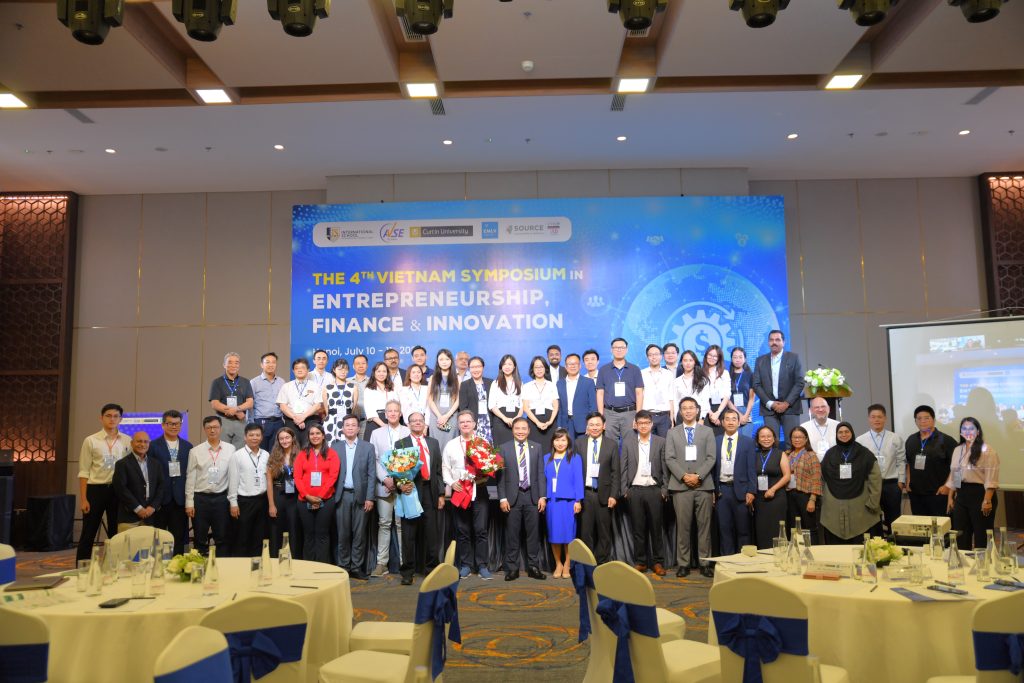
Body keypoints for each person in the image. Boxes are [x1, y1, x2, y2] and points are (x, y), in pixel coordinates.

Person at [665, 397, 716, 577]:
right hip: (680, 486)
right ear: (680, 412)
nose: (688, 411)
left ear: (697, 410)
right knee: (683, 527)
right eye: (684, 408)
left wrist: (698, 476)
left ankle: (705, 563)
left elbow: (711, 457)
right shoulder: (672, 433)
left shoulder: (707, 431)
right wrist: (684, 476)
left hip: (703, 485)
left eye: (691, 408)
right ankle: (683, 564)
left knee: (704, 527)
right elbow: (669, 458)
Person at [393, 413, 444, 585]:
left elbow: (438, 470)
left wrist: (441, 494)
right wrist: (400, 485)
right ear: (408, 424)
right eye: (413, 421)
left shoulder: (433, 443)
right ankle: (407, 572)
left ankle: (431, 570)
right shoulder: (401, 444)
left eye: (420, 421)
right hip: (411, 491)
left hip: (430, 491)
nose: (417, 423)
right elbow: (397, 470)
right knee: (409, 533)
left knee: (432, 533)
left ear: (424, 424)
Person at [77, 403, 132, 561]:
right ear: (101, 418)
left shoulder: (127, 440)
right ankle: (81, 568)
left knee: (116, 533)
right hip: (95, 490)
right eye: (108, 416)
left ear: (120, 419)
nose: (112, 419)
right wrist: (84, 499)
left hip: (118, 491)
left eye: (115, 416)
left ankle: (114, 566)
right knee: (89, 532)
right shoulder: (91, 440)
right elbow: (84, 471)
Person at [443, 411, 493, 579]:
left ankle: (482, 566)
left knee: (481, 530)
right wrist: (451, 483)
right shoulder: (451, 445)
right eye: (462, 422)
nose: (465, 424)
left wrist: (484, 476)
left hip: (479, 490)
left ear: (474, 424)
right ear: (458, 425)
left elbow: (490, 467)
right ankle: (465, 565)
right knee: (463, 530)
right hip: (459, 491)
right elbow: (445, 468)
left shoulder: (483, 443)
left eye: (468, 421)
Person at [498, 418, 547, 581]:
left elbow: (540, 473)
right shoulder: (503, 448)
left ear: (529, 430)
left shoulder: (536, 447)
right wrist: (502, 498)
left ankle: (533, 567)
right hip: (513, 497)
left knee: (533, 534)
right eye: (517, 428)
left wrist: (542, 496)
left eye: (523, 428)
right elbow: (500, 476)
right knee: (512, 534)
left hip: (532, 496)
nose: (520, 431)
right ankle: (512, 568)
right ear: (512, 430)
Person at [621, 410, 668, 575]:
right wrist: (625, 490)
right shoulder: (628, 442)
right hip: (634, 490)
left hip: (654, 489)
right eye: (640, 423)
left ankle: (658, 562)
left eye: (646, 423)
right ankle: (640, 562)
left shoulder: (661, 442)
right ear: (635, 424)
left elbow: (665, 468)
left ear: (651, 424)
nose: (643, 426)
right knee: (638, 529)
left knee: (656, 529)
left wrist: (664, 490)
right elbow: (623, 467)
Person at [820, 422, 882, 544]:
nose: (843, 434)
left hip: (861, 508)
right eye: (840, 432)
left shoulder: (864, 453)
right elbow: (822, 478)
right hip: (833, 508)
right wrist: (823, 502)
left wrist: (873, 503)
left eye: (846, 432)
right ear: (836, 435)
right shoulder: (830, 454)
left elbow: (875, 479)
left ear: (852, 433)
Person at [331, 414, 376, 580]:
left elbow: (372, 474)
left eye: (353, 425)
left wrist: (370, 498)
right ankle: (343, 566)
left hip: (361, 497)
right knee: (342, 534)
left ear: (358, 428)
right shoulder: (335, 447)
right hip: (341, 496)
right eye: (347, 425)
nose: (350, 428)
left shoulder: (368, 447)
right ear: (342, 429)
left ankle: (356, 567)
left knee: (359, 534)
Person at [944, 417, 1000, 550]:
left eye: (971, 428)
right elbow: (955, 474)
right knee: (961, 534)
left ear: (978, 431)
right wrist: (951, 497)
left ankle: (984, 561)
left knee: (982, 535)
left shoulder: (987, 450)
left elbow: (991, 478)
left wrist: (987, 501)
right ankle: (964, 561)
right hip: (962, 495)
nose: (967, 431)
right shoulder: (958, 449)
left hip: (981, 494)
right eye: (964, 428)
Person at [185, 416, 237, 555]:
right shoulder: (195, 451)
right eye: (209, 428)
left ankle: (222, 566)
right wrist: (189, 503)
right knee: (200, 538)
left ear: (220, 428)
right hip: (200, 499)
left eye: (215, 427)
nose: (212, 430)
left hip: (221, 499)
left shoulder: (230, 449)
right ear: (204, 429)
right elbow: (190, 478)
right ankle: (200, 566)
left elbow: (233, 477)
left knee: (222, 538)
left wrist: (233, 502)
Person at [368, 400, 409, 577]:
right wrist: (385, 479)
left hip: (403, 486)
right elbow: (374, 459)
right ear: (385, 414)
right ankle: (381, 563)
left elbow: (412, 459)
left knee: (401, 525)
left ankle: (404, 562)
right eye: (389, 411)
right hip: (383, 486)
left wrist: (398, 481)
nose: (392, 413)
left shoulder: (408, 431)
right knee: (384, 523)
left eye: (395, 411)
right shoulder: (376, 433)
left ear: (400, 414)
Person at [574, 412, 620, 564]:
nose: (594, 428)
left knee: (604, 533)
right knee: (585, 532)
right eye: (591, 425)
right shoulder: (579, 443)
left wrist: (613, 495)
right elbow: (575, 472)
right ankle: (588, 564)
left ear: (604, 426)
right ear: (587, 427)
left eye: (598, 425)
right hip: (585, 494)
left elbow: (615, 472)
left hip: (604, 495)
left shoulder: (612, 444)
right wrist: (576, 497)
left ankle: (602, 564)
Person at [856, 404, 906, 534]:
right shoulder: (860, 440)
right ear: (868, 419)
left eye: (879, 417)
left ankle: (895, 543)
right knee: (873, 519)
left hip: (891, 484)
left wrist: (901, 481)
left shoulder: (895, 438)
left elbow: (901, 460)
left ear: (885, 418)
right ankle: (876, 544)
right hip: (871, 485)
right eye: (873, 417)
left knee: (894, 519)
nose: (876, 420)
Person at [294, 424, 340, 563]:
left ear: (323, 435)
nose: (315, 436)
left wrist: (319, 497)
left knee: (322, 534)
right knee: (308, 535)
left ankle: (322, 566)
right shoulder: (302, 454)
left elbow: (333, 477)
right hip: (304, 500)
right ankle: (308, 567)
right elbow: (297, 477)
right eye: (312, 434)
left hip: (326, 500)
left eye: (318, 433)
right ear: (308, 437)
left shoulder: (332, 454)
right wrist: (307, 496)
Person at [713, 409, 756, 556]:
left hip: (741, 491)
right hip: (722, 490)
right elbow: (712, 467)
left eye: (734, 419)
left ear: (739, 422)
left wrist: (751, 490)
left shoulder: (748, 442)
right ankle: (727, 561)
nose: (730, 422)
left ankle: (743, 561)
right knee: (724, 529)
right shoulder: (716, 441)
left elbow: (751, 468)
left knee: (743, 529)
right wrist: (713, 490)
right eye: (727, 419)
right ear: (722, 422)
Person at [149, 410, 192, 555]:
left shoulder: (188, 446)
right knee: (157, 538)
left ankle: (177, 565)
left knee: (178, 538)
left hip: (179, 500)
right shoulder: (153, 446)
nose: (174, 427)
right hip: (160, 500)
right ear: (163, 425)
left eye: (177, 424)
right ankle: (157, 566)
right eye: (170, 424)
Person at [752, 330, 805, 444]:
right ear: (768, 342)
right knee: (770, 444)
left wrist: (786, 403)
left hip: (790, 407)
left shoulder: (794, 358)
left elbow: (800, 382)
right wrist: (770, 403)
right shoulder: (760, 360)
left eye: (777, 340)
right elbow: (756, 384)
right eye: (771, 340)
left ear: (783, 342)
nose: (774, 342)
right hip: (769, 409)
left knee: (792, 443)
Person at [904, 405, 956, 517]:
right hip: (916, 495)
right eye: (919, 418)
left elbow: (958, 468)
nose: (923, 421)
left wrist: (949, 486)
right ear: (915, 421)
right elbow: (908, 462)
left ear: (934, 420)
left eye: (927, 418)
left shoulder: (947, 440)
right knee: (920, 526)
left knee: (941, 527)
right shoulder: (911, 440)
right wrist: (908, 481)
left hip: (939, 495)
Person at [545, 429, 582, 579]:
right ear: (552, 442)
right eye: (557, 440)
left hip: (569, 502)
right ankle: (558, 563)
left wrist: (578, 500)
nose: (560, 443)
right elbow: (542, 480)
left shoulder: (575, 458)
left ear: (568, 442)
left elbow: (578, 480)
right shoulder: (546, 458)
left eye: (563, 440)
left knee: (568, 535)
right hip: (552, 502)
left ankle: (567, 563)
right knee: (554, 534)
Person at [228, 423, 269, 558]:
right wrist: (233, 503)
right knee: (242, 538)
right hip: (244, 502)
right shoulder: (237, 455)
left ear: (261, 437)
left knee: (259, 537)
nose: (254, 438)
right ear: (245, 437)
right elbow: (233, 480)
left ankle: (256, 566)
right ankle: (240, 567)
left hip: (262, 501)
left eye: (257, 435)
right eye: (251, 435)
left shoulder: (266, 455)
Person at [112, 431, 166, 533]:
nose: (142, 444)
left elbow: (161, 487)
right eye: (139, 441)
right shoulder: (122, 464)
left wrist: (153, 507)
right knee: (127, 544)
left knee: (149, 543)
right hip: (129, 517)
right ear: (132, 443)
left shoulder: (156, 464)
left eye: (146, 442)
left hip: (150, 517)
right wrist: (138, 508)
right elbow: (121, 489)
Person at [596, 338, 644, 443]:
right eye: (616, 347)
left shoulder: (635, 369)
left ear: (626, 350)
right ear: (611, 350)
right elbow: (600, 394)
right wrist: (601, 416)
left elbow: (639, 393)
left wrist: (638, 416)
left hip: (630, 413)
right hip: (609, 413)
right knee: (610, 444)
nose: (619, 350)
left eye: (622, 347)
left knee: (630, 444)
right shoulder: (603, 370)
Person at [751, 425, 792, 549]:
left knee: (776, 529)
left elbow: (787, 476)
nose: (766, 439)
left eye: (769, 436)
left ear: (774, 439)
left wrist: (773, 489)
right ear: (758, 439)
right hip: (759, 498)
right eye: (762, 436)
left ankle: (779, 555)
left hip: (777, 497)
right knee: (761, 529)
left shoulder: (780, 454)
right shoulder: (754, 455)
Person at [267, 426, 302, 558]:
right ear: (278, 441)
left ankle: (295, 561)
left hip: (295, 497)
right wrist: (271, 504)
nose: (284, 441)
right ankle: (275, 560)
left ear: (293, 439)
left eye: (287, 437)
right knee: (276, 531)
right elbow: (269, 482)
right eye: (281, 438)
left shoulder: (301, 455)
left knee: (295, 531)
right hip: (278, 496)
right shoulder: (273, 457)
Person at [208, 352, 254, 449]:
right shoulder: (217, 382)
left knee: (240, 452)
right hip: (223, 421)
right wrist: (235, 411)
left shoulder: (245, 382)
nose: (233, 365)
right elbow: (214, 403)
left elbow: (250, 403)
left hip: (241, 421)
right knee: (223, 450)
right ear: (224, 365)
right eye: (230, 362)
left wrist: (236, 409)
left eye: (236, 363)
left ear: (239, 365)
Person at [784, 426, 822, 543]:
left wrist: (812, 499)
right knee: (793, 527)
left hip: (805, 496)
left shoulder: (811, 455)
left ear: (806, 439)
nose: (797, 440)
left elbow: (816, 478)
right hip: (790, 495)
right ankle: (796, 551)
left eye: (800, 437)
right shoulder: (787, 454)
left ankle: (813, 551)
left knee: (809, 528)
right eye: (794, 437)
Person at [276, 358, 322, 448]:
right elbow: (282, 406)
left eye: (302, 368)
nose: (299, 370)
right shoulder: (286, 386)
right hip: (291, 421)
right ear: (293, 371)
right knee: (292, 449)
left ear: (308, 370)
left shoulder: (315, 386)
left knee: (309, 448)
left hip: (310, 421)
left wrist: (303, 417)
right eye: (297, 368)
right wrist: (295, 418)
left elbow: (317, 405)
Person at [556, 353, 596, 443]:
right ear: (566, 366)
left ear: (580, 366)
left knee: (583, 449)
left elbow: (593, 406)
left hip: (583, 424)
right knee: (568, 449)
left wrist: (590, 424)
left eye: (575, 364)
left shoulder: (588, 382)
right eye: (570, 364)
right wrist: (559, 426)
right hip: (565, 424)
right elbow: (559, 407)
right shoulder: (559, 383)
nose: (573, 366)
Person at [522, 355, 559, 451]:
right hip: (533, 421)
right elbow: (525, 407)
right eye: (536, 367)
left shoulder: (552, 385)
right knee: (534, 450)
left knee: (550, 449)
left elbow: (555, 406)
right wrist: (537, 422)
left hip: (550, 421)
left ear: (545, 368)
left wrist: (550, 421)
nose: (539, 369)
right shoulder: (527, 386)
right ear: (532, 369)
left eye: (541, 367)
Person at [427, 349, 460, 454]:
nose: (444, 362)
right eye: (441, 359)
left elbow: (458, 400)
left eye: (447, 359)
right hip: (436, 417)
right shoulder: (432, 378)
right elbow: (430, 399)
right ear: (437, 361)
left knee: (451, 446)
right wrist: (439, 416)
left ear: (451, 361)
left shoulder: (457, 378)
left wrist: (447, 416)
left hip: (451, 417)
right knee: (436, 446)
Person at [251, 352, 286, 452]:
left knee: (276, 452)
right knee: (261, 452)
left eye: (273, 362)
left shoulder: (282, 382)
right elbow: (250, 405)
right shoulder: (254, 382)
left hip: (278, 422)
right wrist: (250, 424)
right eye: (267, 362)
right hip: (261, 422)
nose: (271, 365)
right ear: (261, 365)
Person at [488, 354, 523, 449]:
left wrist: (517, 417)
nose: (507, 367)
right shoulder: (495, 383)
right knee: (500, 449)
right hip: (500, 420)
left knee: (515, 449)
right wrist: (504, 418)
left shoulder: (519, 383)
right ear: (501, 367)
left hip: (516, 419)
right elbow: (492, 405)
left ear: (514, 366)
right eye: (504, 364)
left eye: (510, 364)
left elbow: (523, 404)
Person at [640, 344, 674, 438]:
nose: (653, 357)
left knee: (664, 444)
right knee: (647, 443)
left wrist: (671, 419)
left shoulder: (668, 374)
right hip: (647, 416)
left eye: (656, 354)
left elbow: (671, 397)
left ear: (661, 356)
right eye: (650, 355)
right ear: (647, 357)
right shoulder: (641, 373)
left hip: (664, 416)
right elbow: (639, 396)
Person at [458, 356, 494, 442]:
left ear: (483, 367)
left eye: (478, 366)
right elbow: (463, 408)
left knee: (490, 449)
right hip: (474, 425)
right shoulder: (465, 385)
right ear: (469, 369)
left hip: (490, 424)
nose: (476, 370)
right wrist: (469, 424)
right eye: (473, 367)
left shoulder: (491, 383)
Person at [323, 358, 357, 446]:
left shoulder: (353, 387)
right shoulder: (327, 387)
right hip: (331, 421)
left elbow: (353, 408)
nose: (343, 372)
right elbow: (326, 409)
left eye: (345, 369)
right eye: (340, 369)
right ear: (334, 370)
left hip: (347, 421)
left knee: (347, 446)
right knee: (330, 447)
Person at [671, 350, 710, 426]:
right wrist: (676, 419)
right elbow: (675, 402)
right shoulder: (676, 381)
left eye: (690, 360)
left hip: (697, 415)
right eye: (685, 360)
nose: (688, 363)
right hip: (681, 416)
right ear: (681, 362)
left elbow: (705, 401)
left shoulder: (703, 380)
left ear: (695, 362)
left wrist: (702, 418)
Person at [362, 361, 397, 442]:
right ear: (374, 373)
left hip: (391, 420)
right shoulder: (369, 389)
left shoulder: (392, 388)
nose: (381, 374)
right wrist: (384, 425)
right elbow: (370, 410)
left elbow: (397, 405)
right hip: (375, 422)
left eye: (384, 371)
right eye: (379, 371)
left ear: (387, 373)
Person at [727, 347, 756, 437]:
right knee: (732, 439)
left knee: (746, 440)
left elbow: (752, 398)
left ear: (745, 359)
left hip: (746, 411)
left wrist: (746, 415)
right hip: (731, 411)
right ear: (731, 359)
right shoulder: (726, 375)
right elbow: (726, 398)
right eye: (735, 357)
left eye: (740, 357)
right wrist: (738, 414)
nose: (738, 360)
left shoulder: (751, 375)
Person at [702, 345, 731, 435]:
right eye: (710, 355)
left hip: (721, 408)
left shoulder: (725, 373)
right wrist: (711, 414)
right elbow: (700, 395)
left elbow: (727, 395)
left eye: (715, 356)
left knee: (722, 438)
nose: (712, 358)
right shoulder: (700, 373)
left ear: (719, 358)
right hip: (706, 408)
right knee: (707, 438)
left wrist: (718, 413)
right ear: (706, 355)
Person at [350, 354, 371, 437]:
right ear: (353, 366)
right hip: (350, 421)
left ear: (367, 365)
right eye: (358, 363)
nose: (361, 366)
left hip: (367, 421)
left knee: (363, 444)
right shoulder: (347, 381)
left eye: (363, 363)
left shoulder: (372, 382)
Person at [309, 349, 333, 418]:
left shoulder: (332, 377)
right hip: (310, 411)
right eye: (318, 358)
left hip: (327, 411)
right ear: (314, 361)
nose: (321, 361)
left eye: (324, 359)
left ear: (327, 361)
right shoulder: (308, 376)